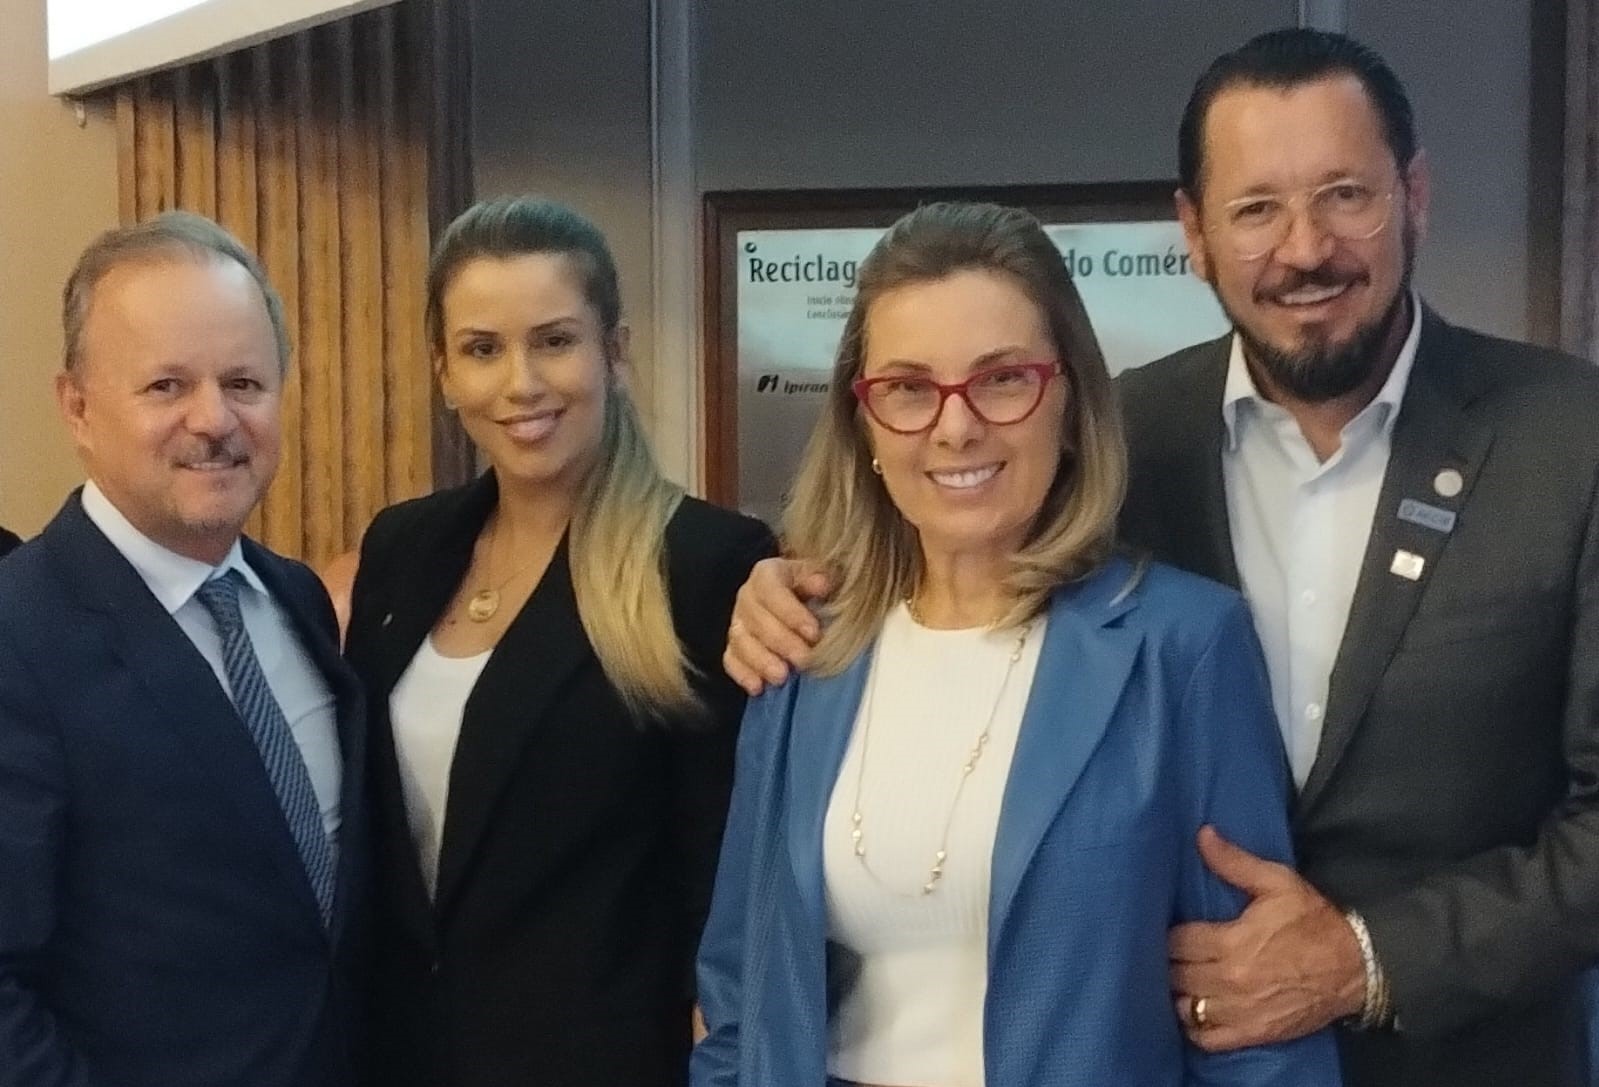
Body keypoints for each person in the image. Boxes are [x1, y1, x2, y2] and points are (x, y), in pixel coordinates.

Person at [724, 28, 1599, 1087]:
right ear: (1193, 232)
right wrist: (790, 589)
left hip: (1471, 1052)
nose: (1304, 248)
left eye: (1344, 195)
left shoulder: (1570, 440)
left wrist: (1365, 959)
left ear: (1413, 194)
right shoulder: (1123, 440)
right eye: (1255, 208)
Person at [692, 201, 1340, 1087]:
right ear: (862, 422)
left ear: (1067, 403)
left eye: (1001, 379)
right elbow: (737, 994)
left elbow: (1256, 1023)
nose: (954, 426)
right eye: (908, 389)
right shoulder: (803, 645)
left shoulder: (1180, 647)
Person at [343, 196, 775, 1087]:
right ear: (443, 370)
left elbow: (721, 883)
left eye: (554, 341)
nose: (521, 383)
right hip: (400, 1057)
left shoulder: (704, 565)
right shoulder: (403, 547)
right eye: (482, 349)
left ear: (614, 352)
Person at [0, 212, 368, 1086]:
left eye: (244, 381)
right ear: (77, 407)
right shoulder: (17, 635)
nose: (213, 419)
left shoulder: (297, 599)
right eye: (166, 385)